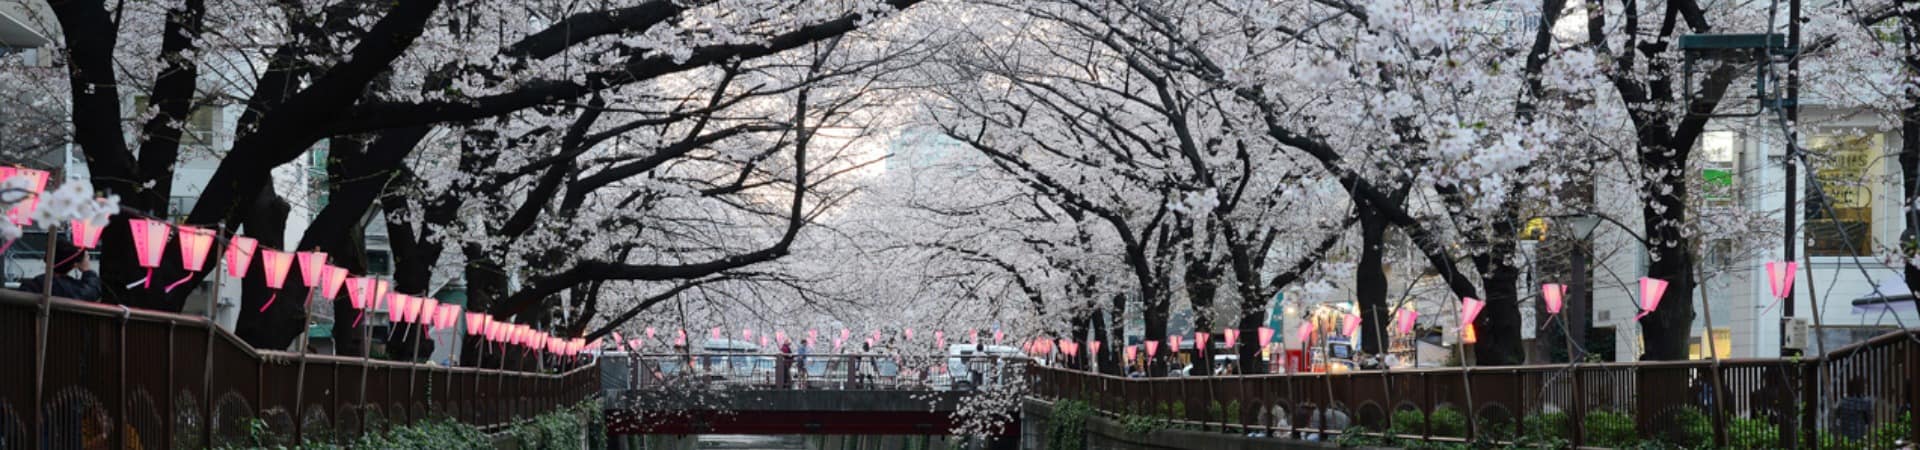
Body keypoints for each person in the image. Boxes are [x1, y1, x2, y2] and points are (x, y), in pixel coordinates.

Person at [18, 240, 101, 301]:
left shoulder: (32, 285)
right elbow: (91, 293)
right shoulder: (75, 289)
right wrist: (87, 270)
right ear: (74, 265)